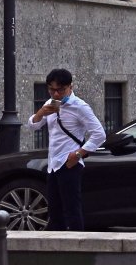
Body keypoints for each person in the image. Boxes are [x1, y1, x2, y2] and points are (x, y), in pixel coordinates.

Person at [26, 68, 104, 231]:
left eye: (60, 90)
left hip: (70, 163)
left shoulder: (80, 107)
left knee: (72, 209)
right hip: (53, 164)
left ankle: (78, 248)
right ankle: (58, 248)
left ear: (70, 87)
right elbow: (33, 126)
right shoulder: (50, 104)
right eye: (51, 90)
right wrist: (41, 113)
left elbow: (99, 134)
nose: (56, 94)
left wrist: (78, 154)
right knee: (54, 210)